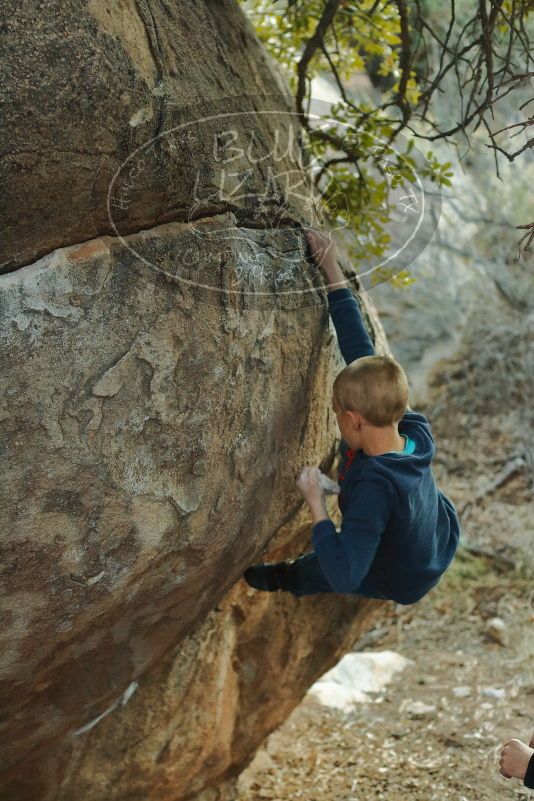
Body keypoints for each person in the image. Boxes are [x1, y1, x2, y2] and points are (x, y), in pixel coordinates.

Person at [243, 228, 461, 603]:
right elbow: (360, 349)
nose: (338, 422)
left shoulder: (374, 490)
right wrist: (332, 270)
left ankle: (281, 578)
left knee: (323, 568)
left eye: (339, 416)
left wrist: (316, 502)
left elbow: (345, 574)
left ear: (354, 419)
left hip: (402, 577)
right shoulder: (410, 426)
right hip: (435, 534)